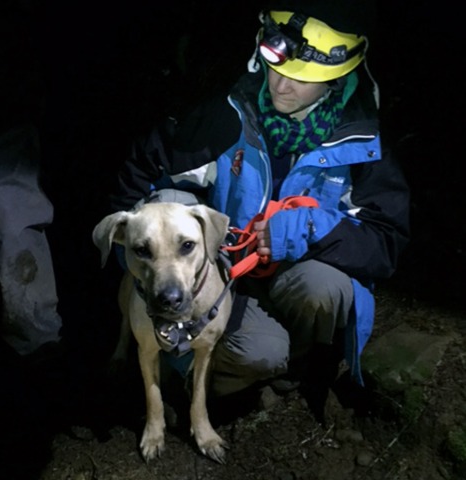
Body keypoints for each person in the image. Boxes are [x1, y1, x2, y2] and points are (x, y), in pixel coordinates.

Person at [108, 0, 410, 423]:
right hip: (223, 277)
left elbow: (386, 241)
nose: (282, 86)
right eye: (276, 68)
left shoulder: (365, 144)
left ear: (339, 78)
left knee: (326, 289)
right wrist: (168, 241)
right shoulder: (222, 117)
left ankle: (295, 367)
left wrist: (308, 227)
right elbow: (137, 188)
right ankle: (190, 364)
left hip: (297, 275)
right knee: (260, 354)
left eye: (302, 80)